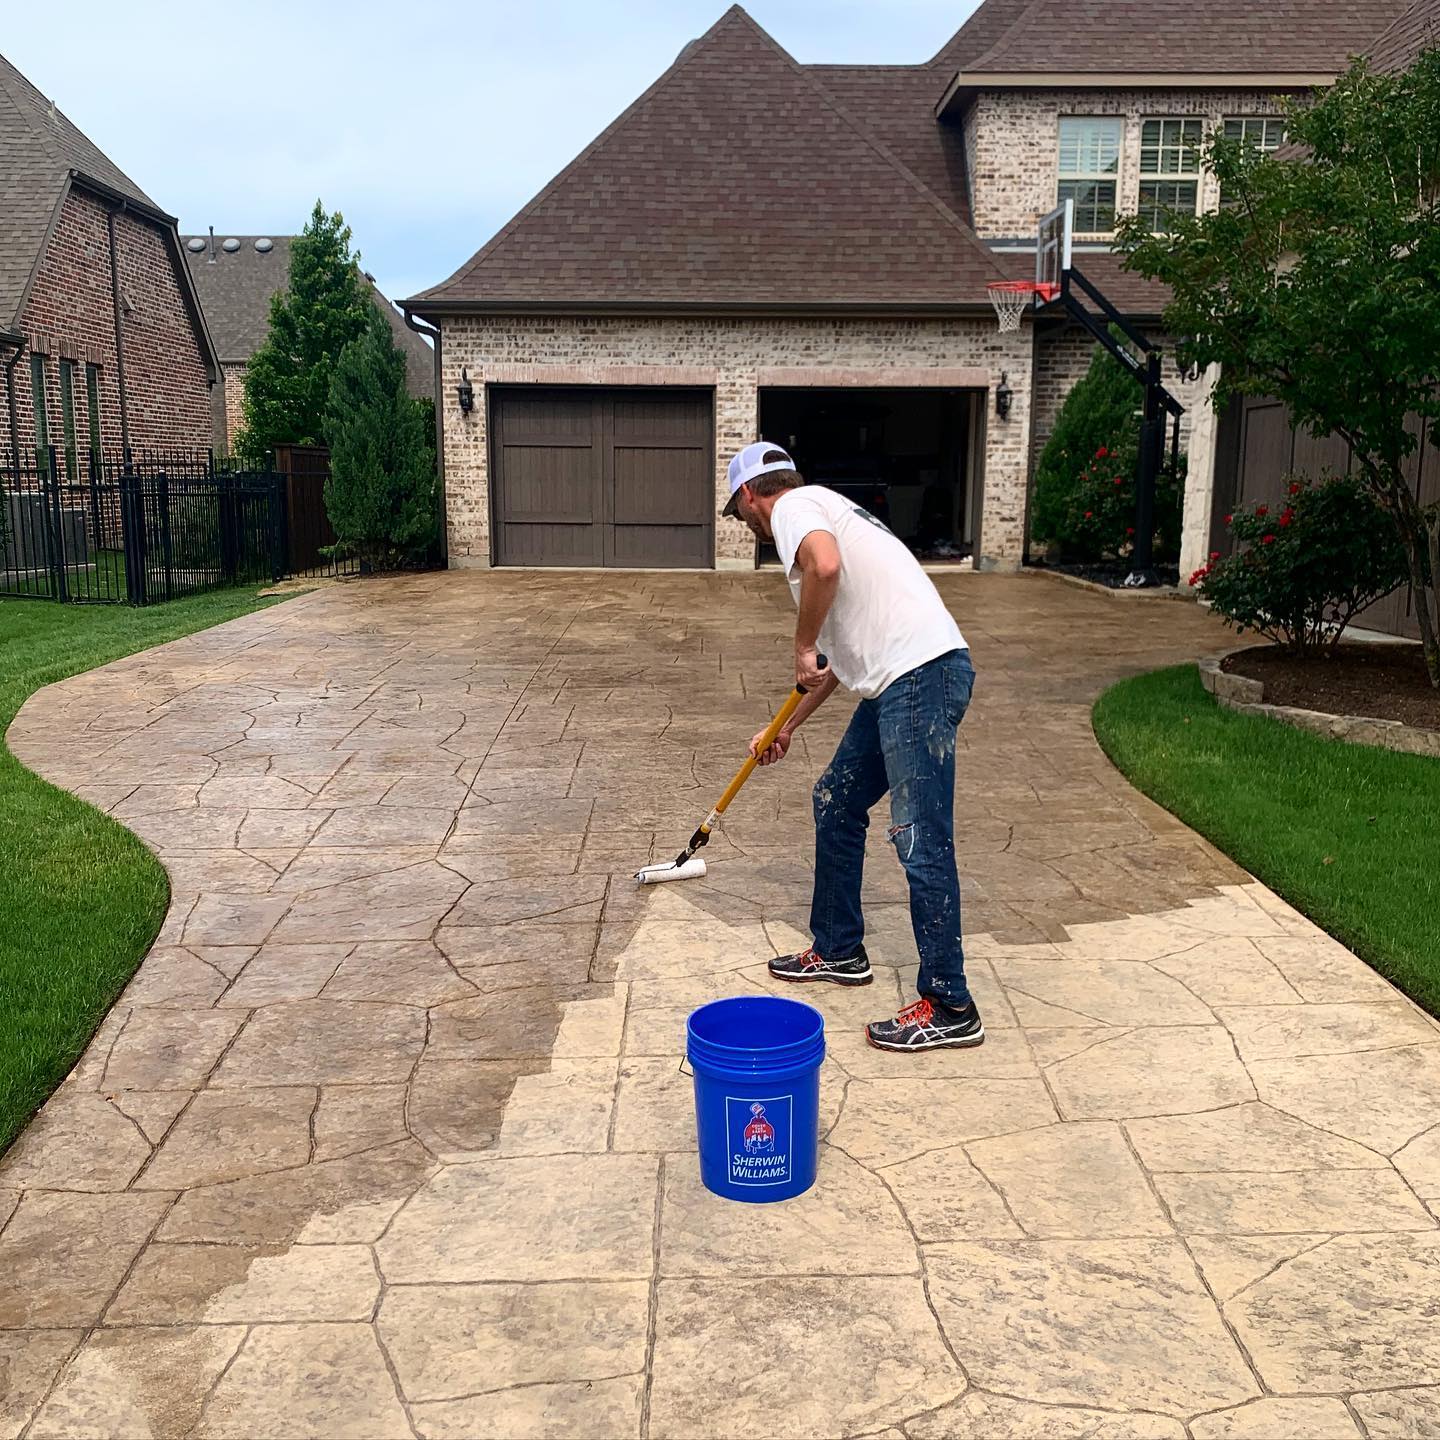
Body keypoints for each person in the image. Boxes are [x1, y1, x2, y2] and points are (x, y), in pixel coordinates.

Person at [723, 441, 980, 1052]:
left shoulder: (794, 509)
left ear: (750, 495)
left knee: (919, 838)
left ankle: (950, 1004)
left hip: (919, 675)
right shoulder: (827, 508)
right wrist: (788, 725)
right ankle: (839, 948)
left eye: (740, 514)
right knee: (836, 799)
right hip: (903, 677)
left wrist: (799, 641)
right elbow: (837, 661)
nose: (748, 525)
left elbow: (826, 568)